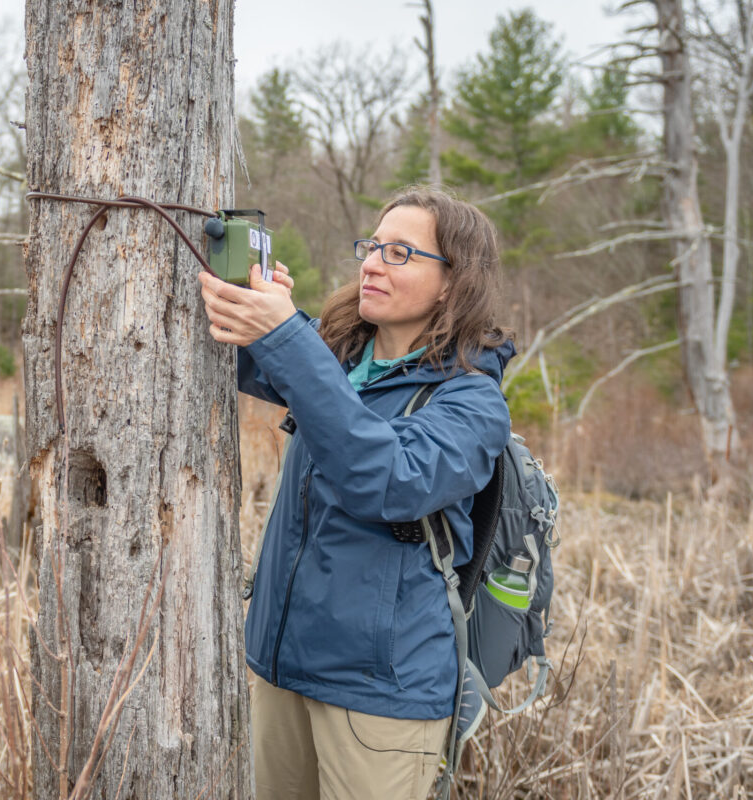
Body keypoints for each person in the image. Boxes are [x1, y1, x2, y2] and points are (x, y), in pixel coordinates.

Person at [197, 187, 515, 800]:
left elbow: (390, 481)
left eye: (400, 253)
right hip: (283, 667)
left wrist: (287, 335)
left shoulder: (473, 401)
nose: (371, 263)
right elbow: (223, 350)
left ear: (454, 282)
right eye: (372, 246)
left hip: (381, 695)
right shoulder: (337, 356)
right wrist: (248, 296)